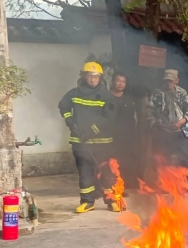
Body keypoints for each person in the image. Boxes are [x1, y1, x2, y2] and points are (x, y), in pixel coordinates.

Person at [58, 61, 117, 213]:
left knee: (106, 172)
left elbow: (109, 117)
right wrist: (70, 122)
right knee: (85, 172)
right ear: (84, 77)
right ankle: (87, 202)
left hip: (102, 142)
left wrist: (92, 131)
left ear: (100, 78)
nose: (93, 80)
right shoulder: (74, 93)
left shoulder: (106, 95)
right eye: (90, 77)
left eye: (96, 77)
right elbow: (63, 106)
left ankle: (112, 201)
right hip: (80, 142)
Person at [148, 69, 188, 179]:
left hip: (181, 132)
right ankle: (165, 184)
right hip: (163, 132)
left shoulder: (182, 92)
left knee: (185, 159)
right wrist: (158, 123)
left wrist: (182, 121)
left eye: (171, 81)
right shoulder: (157, 93)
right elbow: (149, 112)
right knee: (163, 159)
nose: (168, 83)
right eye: (166, 81)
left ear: (176, 80)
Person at [109, 71, 139, 183]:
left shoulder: (129, 100)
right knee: (110, 162)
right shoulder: (105, 98)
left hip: (126, 137)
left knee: (124, 161)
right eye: (118, 80)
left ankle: (121, 185)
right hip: (110, 137)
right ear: (113, 82)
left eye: (123, 81)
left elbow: (133, 118)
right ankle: (109, 185)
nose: (120, 84)